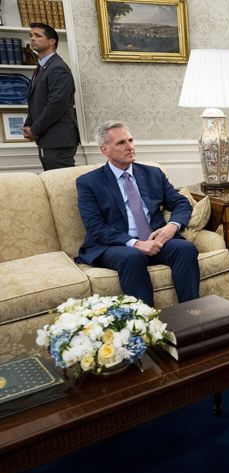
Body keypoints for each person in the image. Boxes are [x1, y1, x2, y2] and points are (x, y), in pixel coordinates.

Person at [76, 121, 199, 307]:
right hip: (117, 245)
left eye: (131, 140)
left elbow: (180, 202)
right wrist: (135, 243)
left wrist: (171, 227)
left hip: (155, 239)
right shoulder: (89, 182)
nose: (130, 147)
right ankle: (146, 325)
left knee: (185, 249)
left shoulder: (153, 173)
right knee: (133, 257)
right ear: (105, 150)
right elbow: (95, 227)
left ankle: (192, 314)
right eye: (121, 143)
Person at [23, 22, 79, 171]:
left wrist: (34, 130)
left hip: (59, 140)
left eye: (38, 35)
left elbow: (56, 105)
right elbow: (35, 101)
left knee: (61, 186)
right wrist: (28, 124)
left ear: (52, 41)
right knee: (52, 183)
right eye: (31, 35)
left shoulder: (58, 68)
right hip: (47, 138)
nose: (32, 39)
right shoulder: (41, 67)